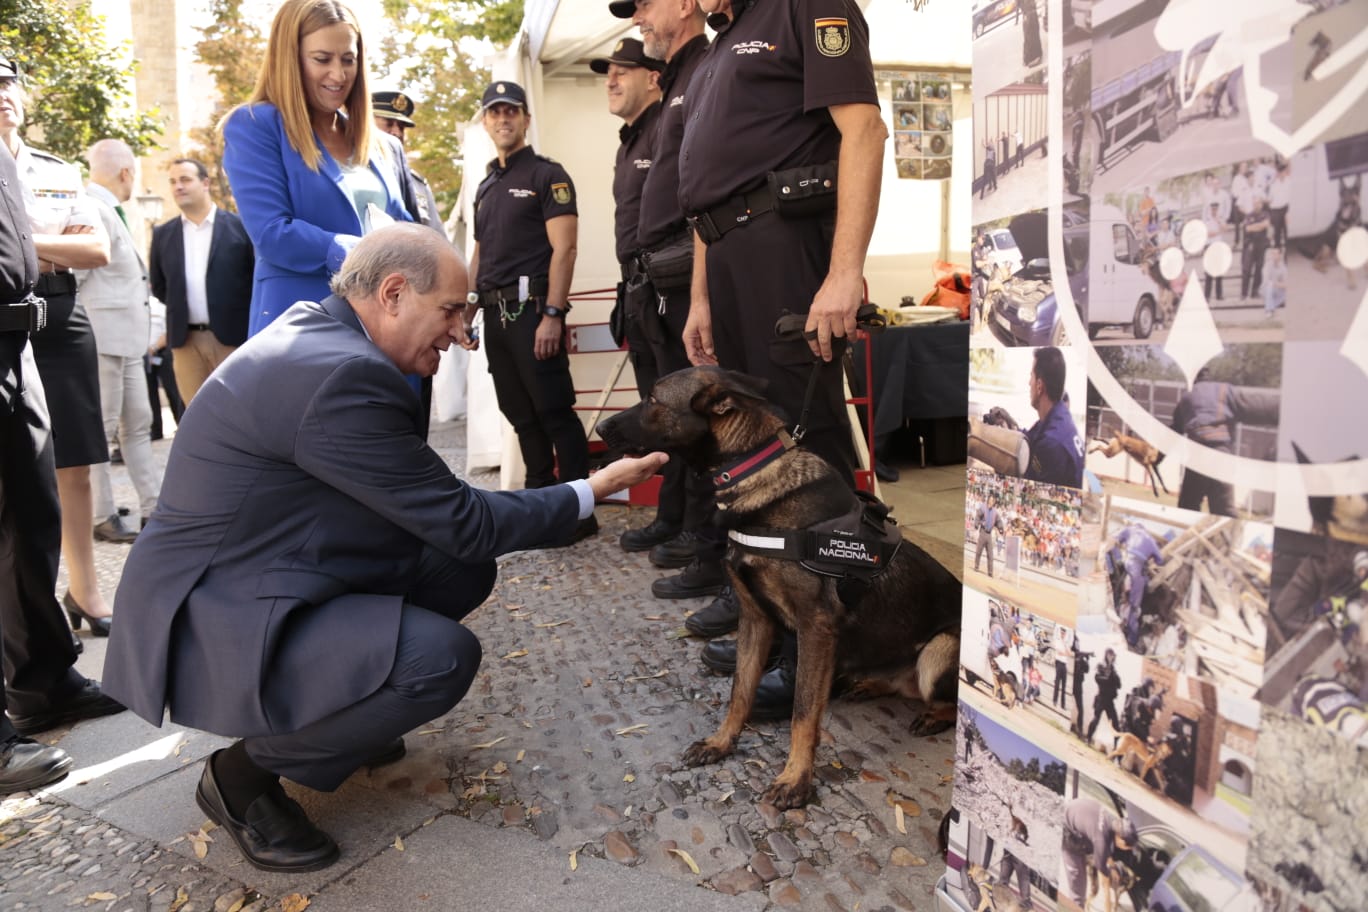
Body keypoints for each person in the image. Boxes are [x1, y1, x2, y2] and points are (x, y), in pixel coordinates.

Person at [102, 225, 666, 872]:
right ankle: (242, 776)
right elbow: (466, 519)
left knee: (460, 568)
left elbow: (440, 522)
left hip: (264, 571)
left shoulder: (321, 332)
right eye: (452, 310)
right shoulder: (342, 373)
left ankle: (342, 707)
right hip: (219, 617)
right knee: (440, 659)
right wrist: (588, 491)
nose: (462, 334)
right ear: (393, 293)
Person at [0, 56, 125, 794]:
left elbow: (93, 245)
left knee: (33, 515)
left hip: (22, 342)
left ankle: (43, 681)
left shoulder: (35, 164)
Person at [221, 0, 415, 338]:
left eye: (348, 60)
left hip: (387, 332)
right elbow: (271, 234)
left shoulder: (381, 144)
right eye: (322, 59)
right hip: (303, 330)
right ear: (290, 59)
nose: (338, 75)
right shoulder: (256, 125)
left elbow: (406, 228)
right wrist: (364, 256)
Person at [614, 0, 718, 604]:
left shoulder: (702, 68)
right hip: (654, 279)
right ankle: (681, 523)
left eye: (645, 4)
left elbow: (702, 193)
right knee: (663, 410)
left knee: (694, 415)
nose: (637, 18)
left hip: (685, 276)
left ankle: (707, 542)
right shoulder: (681, 80)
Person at [462, 82, 595, 544]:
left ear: (525, 118)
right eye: (494, 112)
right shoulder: (486, 185)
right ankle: (541, 504)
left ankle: (580, 511)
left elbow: (566, 249)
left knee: (555, 412)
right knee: (520, 414)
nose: (503, 119)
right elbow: (480, 254)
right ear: (485, 121)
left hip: (533, 311)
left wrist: (554, 314)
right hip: (494, 316)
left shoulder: (546, 175)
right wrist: (467, 308)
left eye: (511, 111)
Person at [588, 33, 676, 559]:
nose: (612, 79)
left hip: (667, 287)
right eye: (608, 71)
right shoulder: (629, 140)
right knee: (654, 410)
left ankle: (696, 529)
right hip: (638, 288)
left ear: (654, 77)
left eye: (624, 69)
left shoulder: (667, 127)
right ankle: (673, 516)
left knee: (675, 412)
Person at [79, 139, 162, 540]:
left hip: (127, 341)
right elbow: (75, 280)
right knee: (102, 430)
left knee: (138, 425)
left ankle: (153, 507)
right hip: (102, 341)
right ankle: (101, 515)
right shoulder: (91, 208)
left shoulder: (111, 209)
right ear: (127, 172)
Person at [148, 158, 254, 404]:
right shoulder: (163, 234)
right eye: (173, 182)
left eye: (185, 179)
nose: (178, 187)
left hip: (233, 337)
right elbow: (160, 286)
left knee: (239, 409)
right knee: (195, 414)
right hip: (185, 341)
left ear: (205, 183)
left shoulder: (240, 227)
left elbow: (253, 280)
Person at [1170, 366, 1279, 516]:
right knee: (1223, 510)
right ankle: (1228, 538)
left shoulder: (1186, 397)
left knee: (1188, 506)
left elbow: (1174, 432)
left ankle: (1189, 537)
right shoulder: (1224, 391)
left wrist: (1156, 457)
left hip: (1197, 456)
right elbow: (1258, 406)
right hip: (1220, 455)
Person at [371, 90, 442, 231]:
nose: (397, 132)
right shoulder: (353, 175)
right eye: (389, 124)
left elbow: (437, 237)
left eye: (401, 127)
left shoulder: (418, 186)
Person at [1023, 346, 1083, 488]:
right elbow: (1031, 437)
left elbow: (1026, 486)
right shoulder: (1059, 415)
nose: (1028, 382)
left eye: (1031, 376)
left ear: (1039, 386)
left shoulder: (1052, 443)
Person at [1062, 797, 1138, 907]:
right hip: (1068, 832)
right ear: (1120, 839)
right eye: (1127, 847)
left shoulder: (1113, 821)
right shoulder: (1101, 840)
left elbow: (1106, 849)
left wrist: (1111, 867)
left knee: (1093, 849)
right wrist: (1108, 906)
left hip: (1074, 809)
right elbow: (1105, 886)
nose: (1126, 849)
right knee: (1078, 891)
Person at [1108, 522, 1165, 649]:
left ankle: (1120, 621)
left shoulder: (1130, 530)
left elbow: (1115, 539)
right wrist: (1150, 557)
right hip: (1136, 568)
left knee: (1124, 595)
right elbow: (1160, 560)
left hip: (1127, 562)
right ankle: (1132, 639)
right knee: (1134, 606)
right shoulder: (1150, 539)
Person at [1086, 647, 1121, 742]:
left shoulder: (1113, 669)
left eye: (1112, 655)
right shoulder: (1101, 666)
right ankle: (1088, 738)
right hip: (1102, 698)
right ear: (1106, 655)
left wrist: (1114, 676)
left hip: (1110, 700)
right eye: (1109, 655)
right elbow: (1098, 679)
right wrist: (1108, 678)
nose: (1111, 657)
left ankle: (1116, 748)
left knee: (1115, 723)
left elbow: (1118, 685)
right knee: (1096, 719)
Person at [1202, 201, 1226, 301]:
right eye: (1213, 209)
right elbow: (1208, 233)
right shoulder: (1206, 219)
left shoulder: (1220, 218)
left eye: (1216, 209)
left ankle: (1219, 295)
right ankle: (1207, 295)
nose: (1214, 211)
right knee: (1209, 272)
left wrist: (1218, 221)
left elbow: (1225, 228)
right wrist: (1218, 231)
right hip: (1209, 246)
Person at [974, 494, 1002, 577]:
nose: (991, 502)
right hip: (983, 532)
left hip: (989, 535)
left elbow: (999, 521)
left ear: (994, 502)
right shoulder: (983, 508)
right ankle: (976, 566)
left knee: (990, 554)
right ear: (988, 500)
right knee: (978, 551)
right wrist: (976, 524)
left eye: (992, 501)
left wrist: (1001, 528)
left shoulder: (995, 512)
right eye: (990, 500)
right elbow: (977, 516)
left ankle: (990, 572)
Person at [1053, 623, 1073, 710]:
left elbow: (1069, 653)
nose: (1062, 634)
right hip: (1059, 662)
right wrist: (1064, 652)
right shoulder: (1057, 641)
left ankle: (1063, 704)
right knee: (1057, 683)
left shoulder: (1066, 642)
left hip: (1064, 663)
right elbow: (1059, 652)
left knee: (1064, 685)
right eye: (1061, 632)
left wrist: (1065, 644)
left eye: (1063, 633)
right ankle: (1055, 700)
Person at [1263, 245, 1287, 317]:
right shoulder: (1267, 265)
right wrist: (1277, 284)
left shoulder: (1283, 268)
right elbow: (1266, 281)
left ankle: (1270, 307)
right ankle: (1269, 310)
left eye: (1276, 254)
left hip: (1278, 290)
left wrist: (1276, 284)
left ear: (1280, 255)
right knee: (1269, 286)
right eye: (1273, 254)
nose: (1274, 256)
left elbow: (1286, 284)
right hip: (1266, 290)